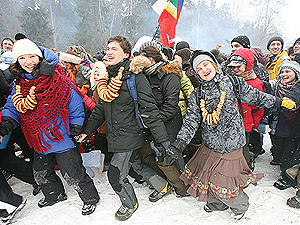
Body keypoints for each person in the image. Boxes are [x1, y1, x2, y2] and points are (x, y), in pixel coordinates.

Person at [163, 50, 296, 220]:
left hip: (232, 143)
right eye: (199, 68)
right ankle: (217, 203)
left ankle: (240, 205)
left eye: (206, 64)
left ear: (214, 65)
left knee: (226, 180)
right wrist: (178, 144)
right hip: (210, 144)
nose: (204, 69)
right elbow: (191, 122)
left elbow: (256, 97)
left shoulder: (232, 82)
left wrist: (279, 102)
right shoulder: (198, 94)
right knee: (210, 175)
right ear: (196, 73)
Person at [0, 39, 100, 215]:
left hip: (61, 136)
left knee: (73, 172)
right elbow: (13, 106)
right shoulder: (19, 84)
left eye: (32, 56)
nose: (28, 62)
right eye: (22, 58)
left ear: (39, 57)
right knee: (41, 172)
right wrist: (5, 125)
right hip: (38, 138)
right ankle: (54, 195)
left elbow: (74, 102)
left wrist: (76, 127)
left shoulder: (56, 79)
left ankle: (90, 197)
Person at [76, 35, 171, 221]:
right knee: (135, 165)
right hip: (116, 133)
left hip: (129, 135)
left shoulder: (135, 77)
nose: (109, 52)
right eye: (108, 48)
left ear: (126, 54)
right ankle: (162, 186)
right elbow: (100, 109)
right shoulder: (107, 78)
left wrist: (163, 140)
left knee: (115, 174)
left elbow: (150, 110)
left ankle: (129, 203)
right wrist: (86, 131)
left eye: (114, 49)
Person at [136, 43, 188, 197]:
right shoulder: (145, 76)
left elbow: (171, 107)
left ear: (151, 59)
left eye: (142, 60)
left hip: (170, 123)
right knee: (145, 154)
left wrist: (152, 120)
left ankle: (183, 188)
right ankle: (167, 181)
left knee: (166, 158)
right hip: (153, 123)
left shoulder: (170, 75)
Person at [227, 48, 265, 170]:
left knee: (243, 148)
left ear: (248, 64)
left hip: (245, 122)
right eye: (233, 67)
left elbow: (258, 108)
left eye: (238, 66)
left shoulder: (255, 83)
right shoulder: (231, 80)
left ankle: (245, 169)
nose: (235, 70)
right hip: (231, 121)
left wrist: (254, 124)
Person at [268, 61, 300, 167]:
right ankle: (278, 158)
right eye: (282, 72)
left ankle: (285, 167)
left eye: (288, 71)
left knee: (289, 146)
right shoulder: (275, 86)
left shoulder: (297, 88)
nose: (284, 74)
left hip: (293, 122)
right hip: (278, 121)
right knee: (277, 144)